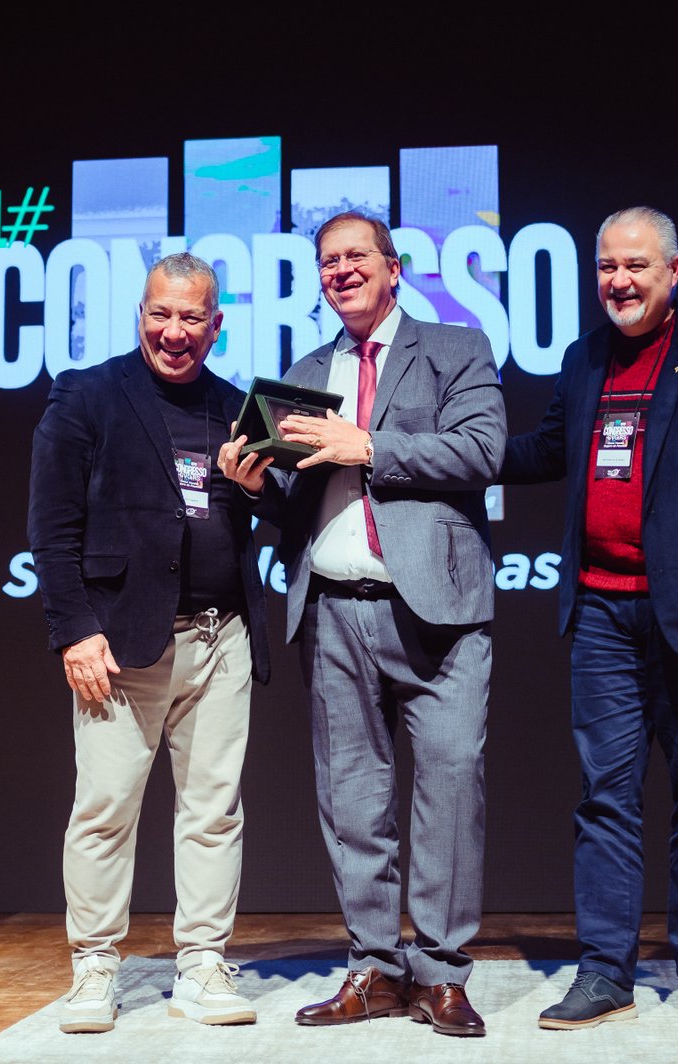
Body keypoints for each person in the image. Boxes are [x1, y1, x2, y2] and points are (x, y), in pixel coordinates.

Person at [500, 206, 678, 1028]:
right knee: (605, 798)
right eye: (606, 267)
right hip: (601, 611)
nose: (619, 282)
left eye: (635, 266)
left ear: (673, 270)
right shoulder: (585, 357)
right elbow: (546, 450)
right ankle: (605, 973)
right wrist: (446, 451)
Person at [218, 211, 506, 1037]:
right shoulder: (303, 374)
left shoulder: (455, 349)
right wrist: (254, 484)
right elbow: (292, 500)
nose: (341, 271)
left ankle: (442, 975)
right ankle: (375, 968)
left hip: (438, 611)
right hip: (333, 608)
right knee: (352, 799)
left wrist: (369, 445)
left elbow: (483, 451)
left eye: (356, 257)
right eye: (328, 261)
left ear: (393, 267)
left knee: (450, 788)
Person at [27, 252, 270, 1033]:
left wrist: (261, 487)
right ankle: (96, 967)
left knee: (214, 812)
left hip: (221, 637)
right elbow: (51, 526)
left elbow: (280, 511)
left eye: (190, 317)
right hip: (119, 644)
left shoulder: (237, 407)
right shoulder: (88, 393)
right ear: (140, 314)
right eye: (160, 314)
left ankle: (202, 965)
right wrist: (73, 629)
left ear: (215, 324)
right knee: (104, 810)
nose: (174, 331)